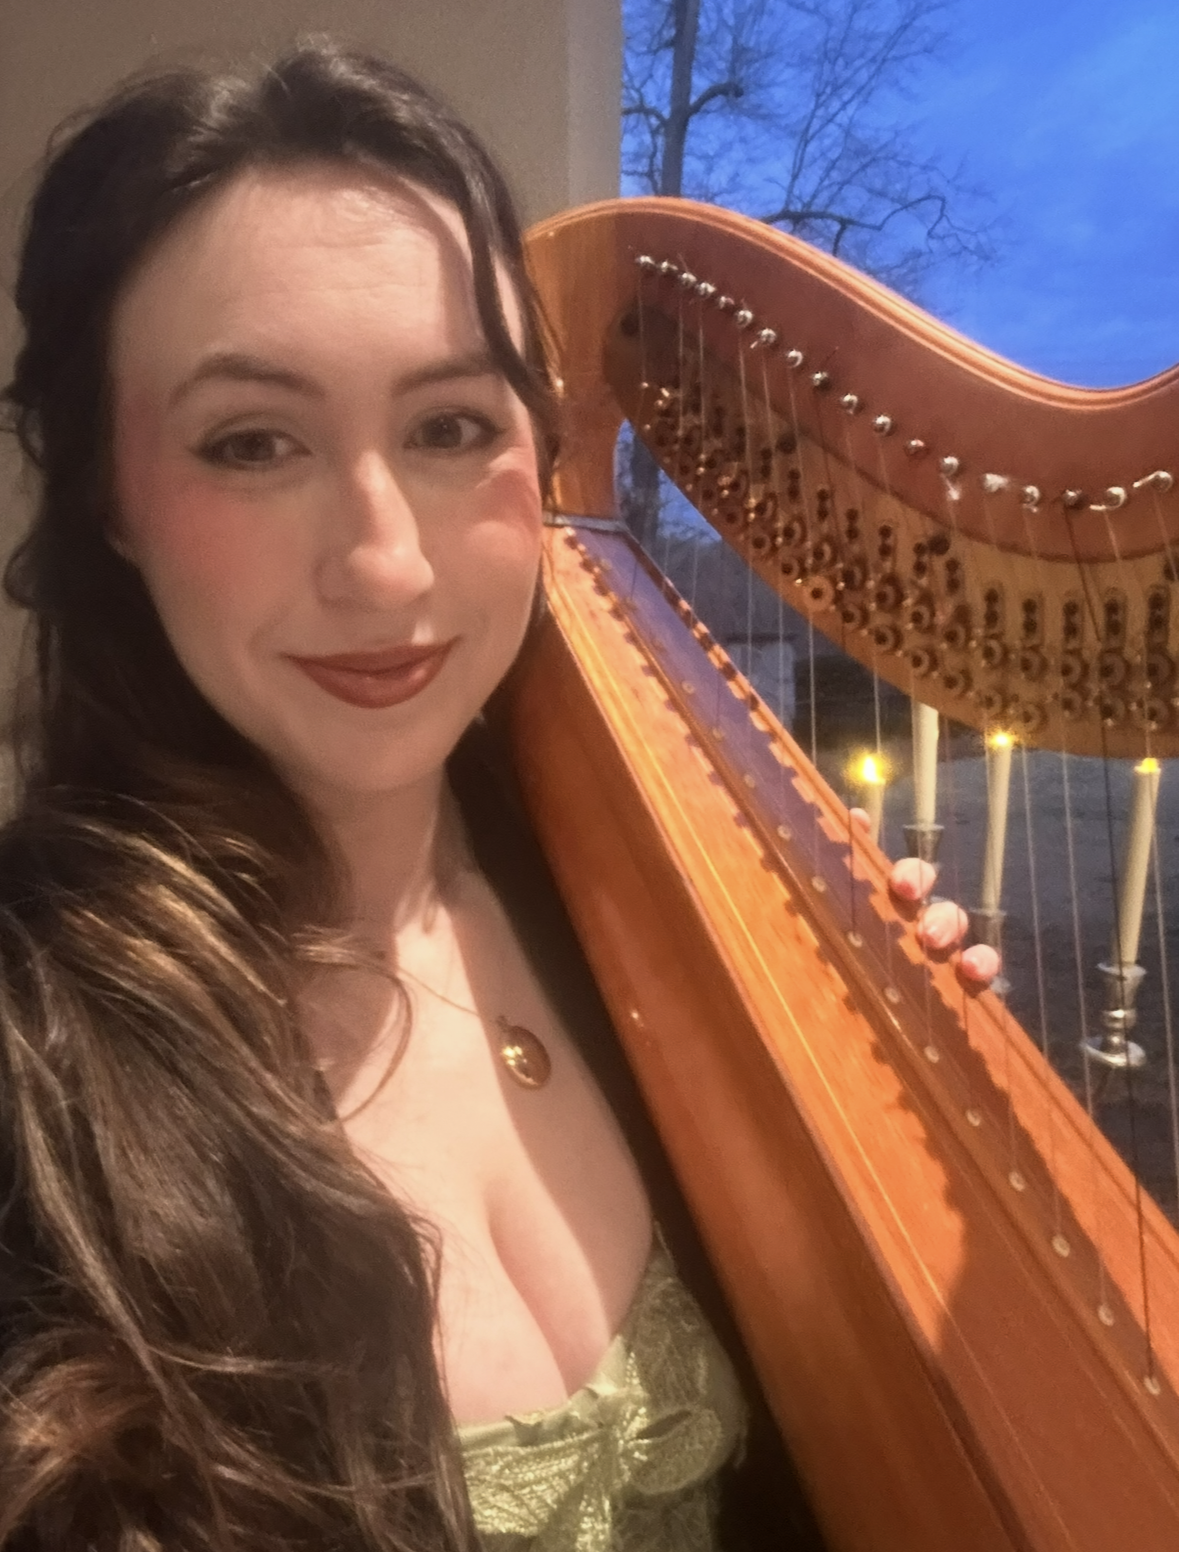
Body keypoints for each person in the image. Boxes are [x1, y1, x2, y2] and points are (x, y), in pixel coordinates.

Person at [0, 40, 994, 1551]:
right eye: (252, 443)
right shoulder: (36, 1054)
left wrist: (929, 1099)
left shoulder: (630, 891)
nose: (385, 565)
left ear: (540, 454)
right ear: (112, 504)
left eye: (452, 426)